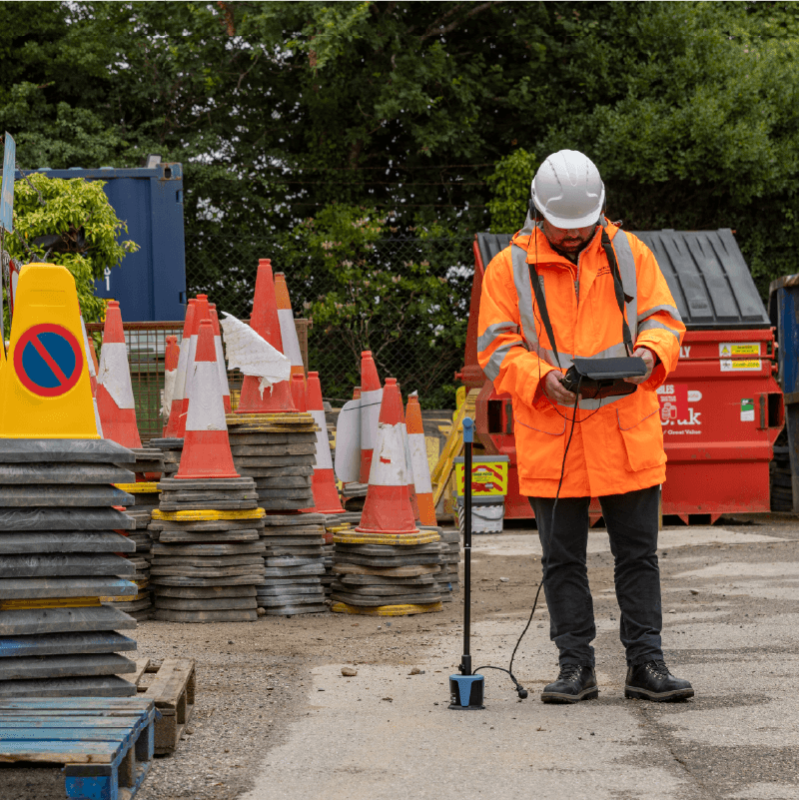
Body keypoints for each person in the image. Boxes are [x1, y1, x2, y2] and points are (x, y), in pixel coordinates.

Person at [477, 150, 693, 703]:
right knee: (561, 560)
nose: (573, 235)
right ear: (538, 213)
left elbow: (665, 321)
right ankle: (575, 666)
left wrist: (650, 354)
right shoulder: (508, 267)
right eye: (562, 226)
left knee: (638, 556)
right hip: (554, 433)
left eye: (583, 225)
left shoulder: (629, 251)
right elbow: (496, 348)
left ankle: (646, 664)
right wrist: (540, 378)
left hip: (625, 429)